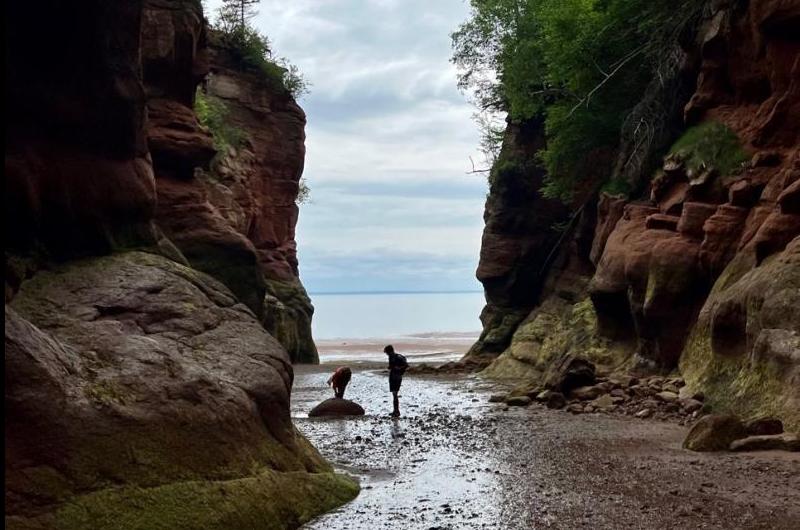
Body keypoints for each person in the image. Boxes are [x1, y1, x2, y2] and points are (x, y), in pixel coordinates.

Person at [384, 345, 408, 417]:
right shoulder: (391, 357)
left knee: (395, 394)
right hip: (393, 376)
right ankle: (395, 410)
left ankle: (396, 411)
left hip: (397, 377)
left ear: (390, 351)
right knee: (394, 394)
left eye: (387, 353)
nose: (387, 354)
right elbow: (392, 366)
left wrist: (398, 368)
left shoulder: (398, 357)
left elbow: (406, 365)